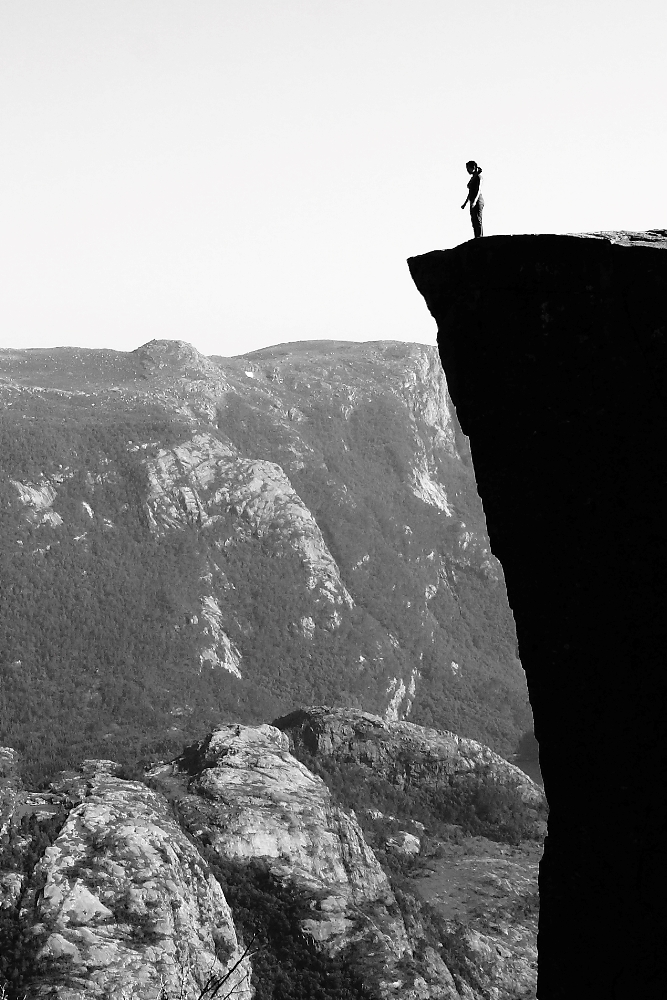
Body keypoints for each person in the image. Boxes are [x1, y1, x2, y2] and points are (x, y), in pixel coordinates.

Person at [461, 161, 483, 237]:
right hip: (472, 200)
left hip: (478, 200)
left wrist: (475, 201)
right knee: (473, 220)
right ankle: (476, 236)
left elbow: (478, 190)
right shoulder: (473, 177)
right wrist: (465, 203)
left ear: (473, 167)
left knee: (477, 219)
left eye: (468, 168)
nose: (467, 170)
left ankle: (480, 237)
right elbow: (470, 192)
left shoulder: (479, 177)